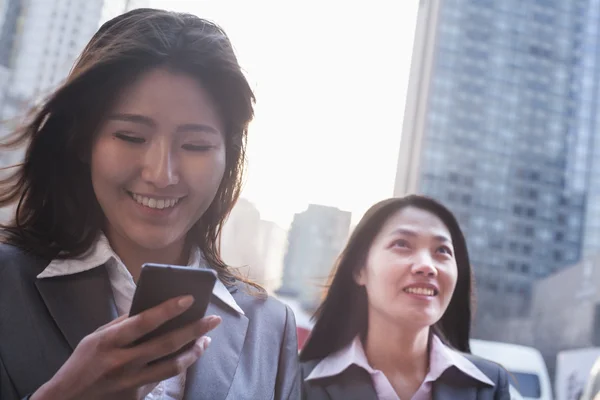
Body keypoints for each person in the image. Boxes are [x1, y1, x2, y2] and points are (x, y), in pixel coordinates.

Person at [0, 8, 299, 400]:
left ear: (228, 158)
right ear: (82, 141)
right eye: (130, 137)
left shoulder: (270, 327)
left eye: (195, 145)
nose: (162, 174)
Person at [299, 195, 512, 400]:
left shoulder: (488, 387)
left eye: (442, 250)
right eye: (402, 244)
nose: (427, 266)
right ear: (359, 269)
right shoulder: (299, 383)